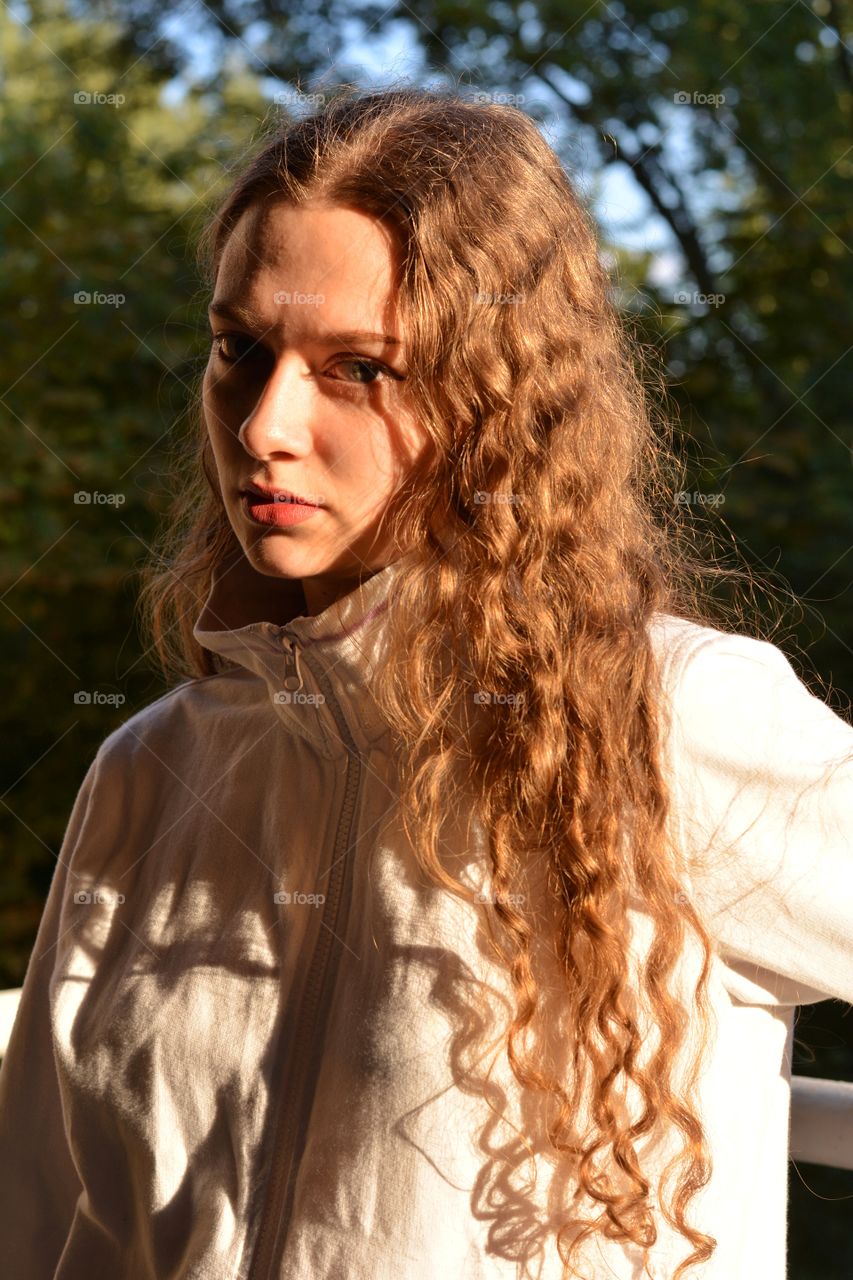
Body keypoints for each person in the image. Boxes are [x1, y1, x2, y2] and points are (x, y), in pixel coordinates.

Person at [0, 83, 851, 1280]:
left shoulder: (671, 720)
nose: (263, 426)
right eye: (240, 349)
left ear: (495, 402)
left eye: (357, 367)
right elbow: (42, 1220)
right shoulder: (152, 769)